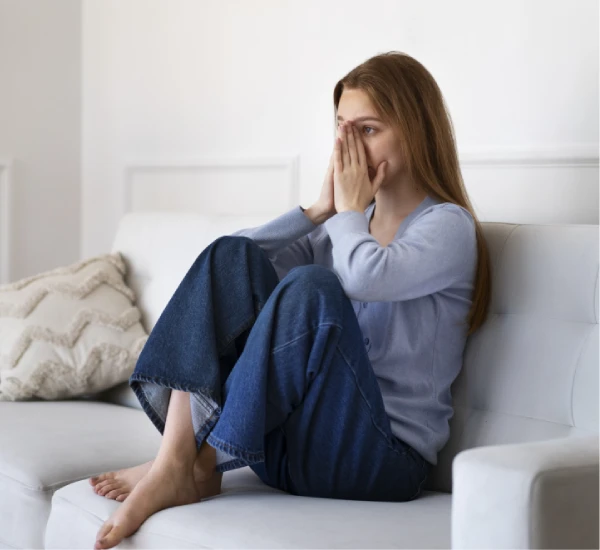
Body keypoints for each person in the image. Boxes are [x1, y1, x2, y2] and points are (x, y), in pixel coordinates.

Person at [90, 51, 492, 549]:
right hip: (285, 452)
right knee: (230, 255)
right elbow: (235, 263)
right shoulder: (340, 227)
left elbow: (366, 277)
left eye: (367, 130)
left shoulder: (447, 226)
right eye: (342, 129)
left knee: (311, 288)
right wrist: (318, 210)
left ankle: (194, 463)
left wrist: (344, 213)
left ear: (415, 130)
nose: (350, 146)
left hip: (381, 463)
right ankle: (178, 459)